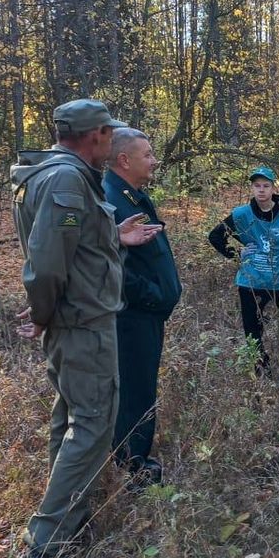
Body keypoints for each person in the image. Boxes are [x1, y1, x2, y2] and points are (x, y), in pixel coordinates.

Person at [10, 99, 162, 558]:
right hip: (81, 327)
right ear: (92, 136)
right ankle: (44, 553)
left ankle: (68, 521)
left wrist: (113, 236)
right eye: (105, 134)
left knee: (70, 421)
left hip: (76, 322)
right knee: (93, 428)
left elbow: (71, 248)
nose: (109, 141)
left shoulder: (60, 175)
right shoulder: (65, 180)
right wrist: (41, 314)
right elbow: (47, 262)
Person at [104, 128, 181, 486]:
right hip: (132, 316)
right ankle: (132, 467)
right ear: (124, 160)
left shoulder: (131, 197)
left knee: (143, 386)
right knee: (135, 390)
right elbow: (109, 268)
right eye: (147, 154)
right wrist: (151, 294)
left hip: (147, 314)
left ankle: (134, 457)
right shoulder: (110, 201)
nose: (154, 160)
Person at [208, 167, 279, 369]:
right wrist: (236, 253)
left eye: (265, 186)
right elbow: (215, 236)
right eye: (257, 186)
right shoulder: (241, 214)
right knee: (253, 329)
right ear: (252, 188)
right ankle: (261, 366)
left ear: (273, 188)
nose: (261, 190)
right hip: (251, 281)